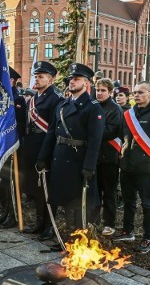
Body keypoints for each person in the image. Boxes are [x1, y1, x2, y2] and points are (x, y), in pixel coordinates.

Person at [37, 63, 104, 241]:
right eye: (70, 79)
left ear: (87, 83)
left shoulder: (92, 107)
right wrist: (43, 157)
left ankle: (78, 243)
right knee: (65, 202)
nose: (72, 82)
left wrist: (89, 166)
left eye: (77, 79)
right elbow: (51, 132)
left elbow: (95, 140)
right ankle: (66, 240)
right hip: (60, 158)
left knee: (78, 205)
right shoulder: (63, 105)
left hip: (78, 161)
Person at [113, 81, 150, 254]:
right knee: (129, 201)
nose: (137, 95)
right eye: (134, 93)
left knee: (147, 204)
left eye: (140, 92)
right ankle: (128, 231)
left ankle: (148, 238)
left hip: (145, 168)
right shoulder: (129, 114)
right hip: (127, 166)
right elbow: (123, 136)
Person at [21, 61, 63, 240]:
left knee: (47, 190)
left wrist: (44, 155)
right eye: (36, 76)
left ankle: (49, 226)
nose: (37, 80)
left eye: (41, 77)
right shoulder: (34, 98)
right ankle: (39, 223)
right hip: (32, 146)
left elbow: (53, 129)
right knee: (37, 189)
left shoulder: (55, 99)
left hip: (45, 148)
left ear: (51, 79)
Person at [0, 67, 27, 228]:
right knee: (2, 182)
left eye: (1, 80)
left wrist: (12, 142)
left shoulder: (17, 99)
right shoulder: (0, 98)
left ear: (10, 81)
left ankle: (13, 215)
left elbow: (19, 125)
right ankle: (5, 212)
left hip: (12, 146)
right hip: (1, 144)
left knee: (12, 183)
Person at [93, 78, 123, 236]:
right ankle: (94, 220)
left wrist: (92, 132)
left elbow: (111, 131)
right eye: (98, 90)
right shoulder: (94, 106)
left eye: (103, 90)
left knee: (109, 192)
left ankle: (109, 223)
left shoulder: (115, 109)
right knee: (95, 191)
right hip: (94, 156)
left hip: (109, 157)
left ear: (110, 92)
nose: (99, 93)